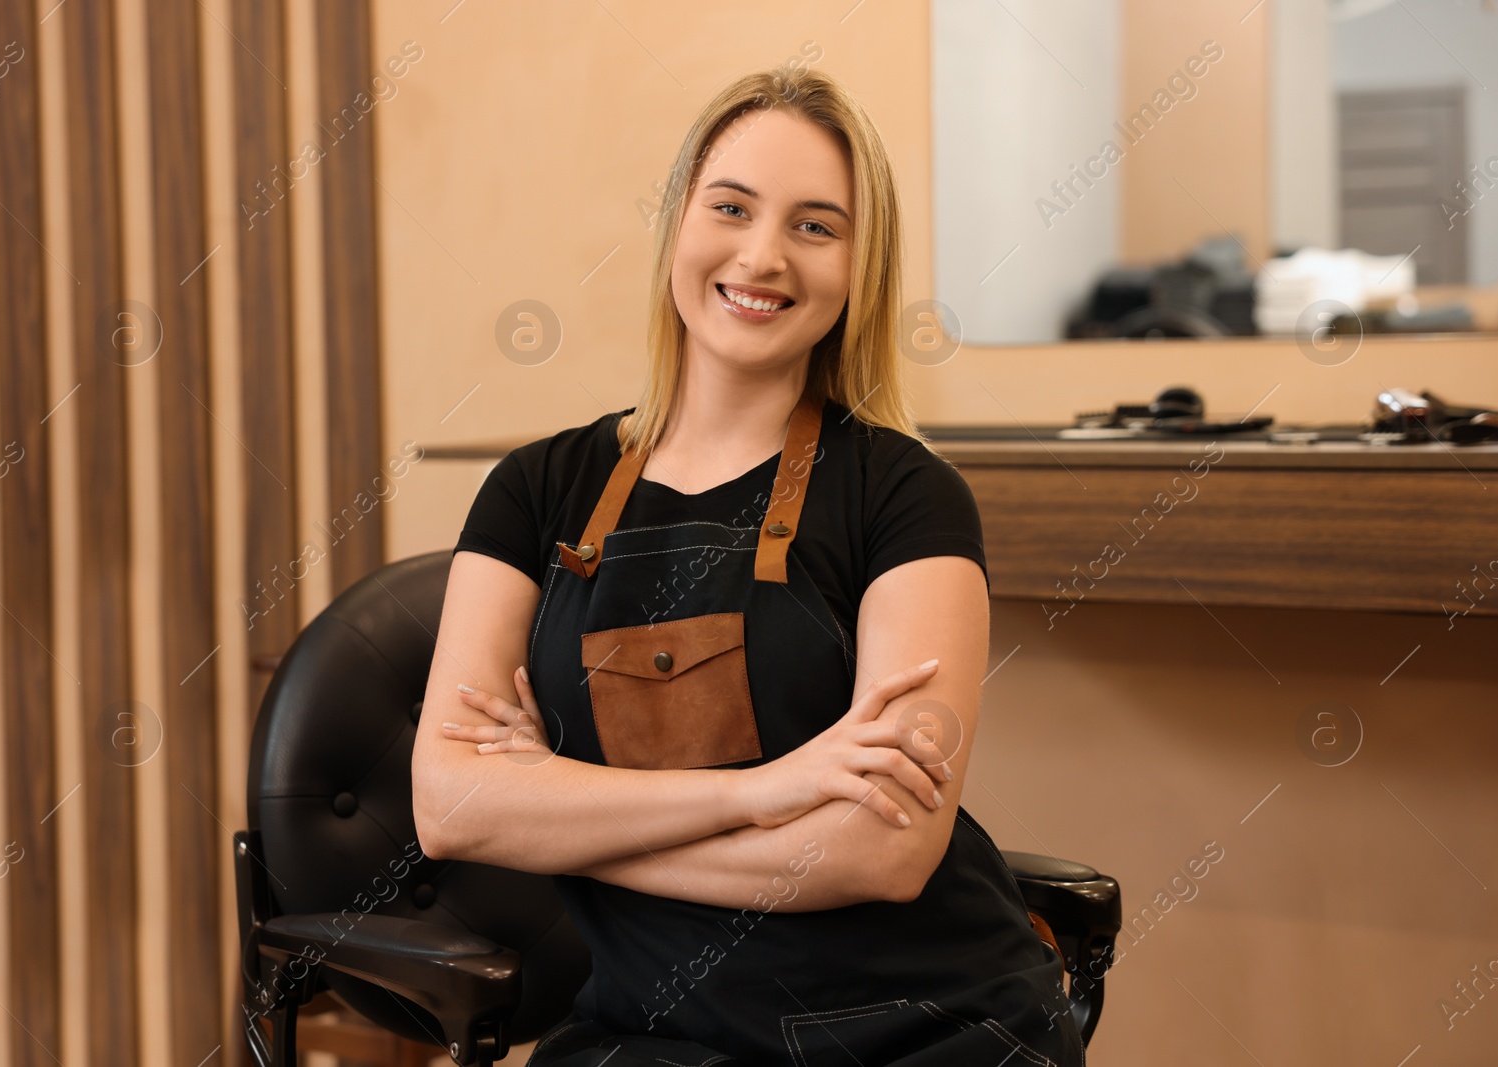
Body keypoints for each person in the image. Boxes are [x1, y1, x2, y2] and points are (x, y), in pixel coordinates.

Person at [411, 65, 1084, 1067]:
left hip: (925, 1023)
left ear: (861, 264)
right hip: (653, 1029)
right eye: (731, 207)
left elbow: (886, 850)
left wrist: (558, 804)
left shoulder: (907, 495)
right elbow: (450, 806)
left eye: (815, 226)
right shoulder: (534, 491)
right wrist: (768, 792)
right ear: (678, 221)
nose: (762, 257)